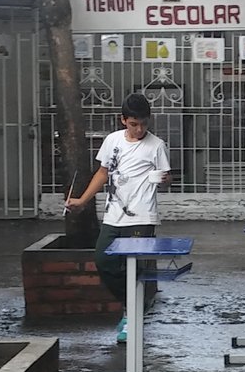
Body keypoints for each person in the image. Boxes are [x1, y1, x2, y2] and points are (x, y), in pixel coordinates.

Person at [64, 93, 171, 340]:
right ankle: (133, 305)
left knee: (134, 266)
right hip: (113, 216)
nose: (139, 129)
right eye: (134, 124)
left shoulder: (156, 145)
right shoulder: (112, 141)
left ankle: (130, 317)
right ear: (123, 120)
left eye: (144, 123)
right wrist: (82, 201)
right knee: (103, 261)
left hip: (142, 216)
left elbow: (166, 178)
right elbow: (103, 173)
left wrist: (165, 180)